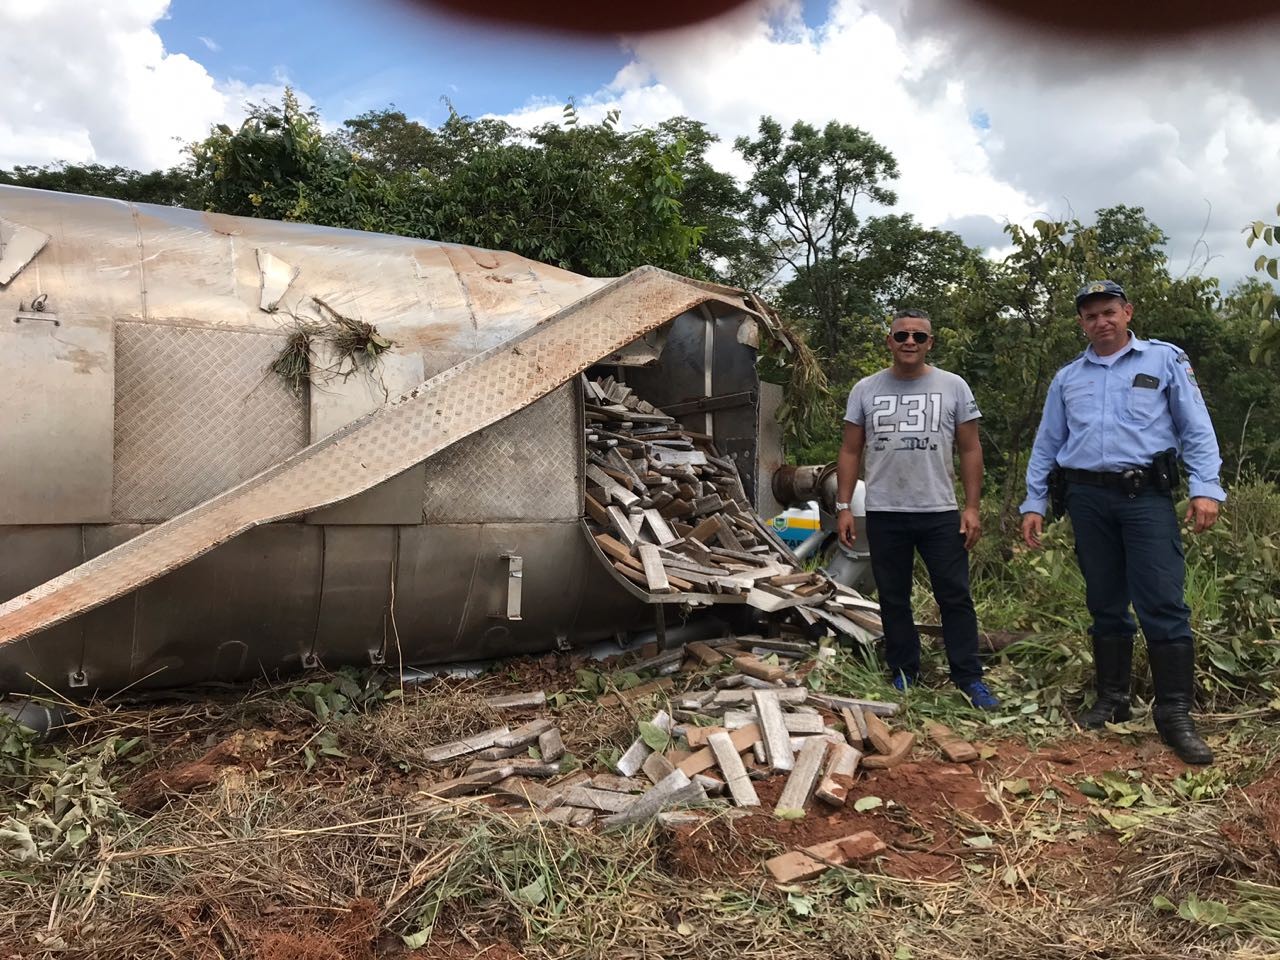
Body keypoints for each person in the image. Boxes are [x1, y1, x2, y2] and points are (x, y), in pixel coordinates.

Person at [1020, 280, 1225, 765]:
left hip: (1145, 497)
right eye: (1090, 316)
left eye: (1109, 312)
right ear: (1081, 323)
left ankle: (1174, 712)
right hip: (1088, 498)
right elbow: (1047, 443)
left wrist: (1205, 487)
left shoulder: (1163, 361)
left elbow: (1196, 426)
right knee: (1104, 600)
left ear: (1127, 312)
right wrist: (1034, 502)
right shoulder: (1068, 377)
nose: (1101, 322)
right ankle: (1112, 699)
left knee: (1162, 601)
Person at [835, 309, 997, 709]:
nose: (910, 342)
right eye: (902, 335)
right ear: (889, 341)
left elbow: (971, 448)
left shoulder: (953, 387)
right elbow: (850, 449)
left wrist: (972, 507)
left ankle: (969, 677)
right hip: (885, 510)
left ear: (930, 343)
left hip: (939, 510)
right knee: (893, 596)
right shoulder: (865, 390)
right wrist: (843, 506)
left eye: (919, 337)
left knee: (955, 596)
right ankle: (904, 672)